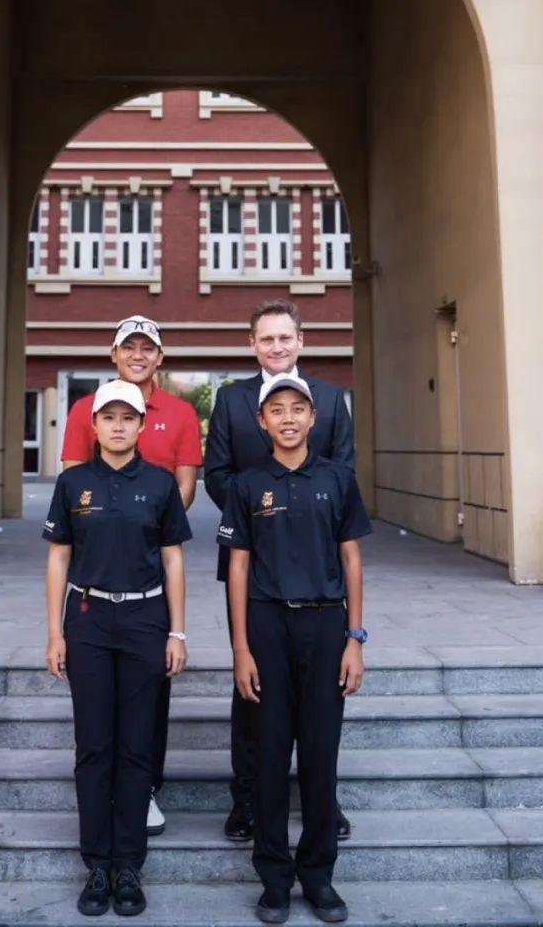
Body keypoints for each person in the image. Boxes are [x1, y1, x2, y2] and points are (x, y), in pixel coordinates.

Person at [218, 374, 370, 925]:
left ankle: (319, 875)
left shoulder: (337, 479)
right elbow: (238, 569)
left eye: (297, 409)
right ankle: (275, 879)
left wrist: (355, 639)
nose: (288, 418)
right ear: (262, 422)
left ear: (313, 418)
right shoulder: (246, 485)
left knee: (321, 754)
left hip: (326, 625)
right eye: (277, 410)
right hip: (267, 626)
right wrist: (241, 649)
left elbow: (351, 559)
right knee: (269, 753)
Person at [203, 299, 355, 842]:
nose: (276, 346)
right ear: (252, 344)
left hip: (317, 568)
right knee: (252, 685)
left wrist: (299, 510)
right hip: (252, 561)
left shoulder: (331, 400)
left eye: (285, 337)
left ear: (301, 341)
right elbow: (217, 474)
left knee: (321, 694)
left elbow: (343, 476)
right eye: (266, 338)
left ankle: (323, 801)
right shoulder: (231, 400)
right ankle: (246, 798)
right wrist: (264, 508)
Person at [45, 378, 191, 918]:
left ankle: (129, 865)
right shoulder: (73, 483)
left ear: (140, 425)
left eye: (128, 418)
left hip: (144, 619)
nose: (118, 426)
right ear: (94, 424)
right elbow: (59, 557)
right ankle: (97, 864)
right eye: (109, 418)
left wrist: (177, 632)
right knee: (94, 746)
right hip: (87, 619)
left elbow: (173, 559)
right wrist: (55, 632)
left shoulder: (159, 484)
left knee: (135, 746)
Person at [61, 314, 202, 836]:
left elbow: (185, 485)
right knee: (99, 700)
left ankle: (144, 790)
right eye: (129, 347)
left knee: (150, 690)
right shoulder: (85, 409)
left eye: (148, 348)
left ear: (159, 358)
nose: (138, 355)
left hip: (153, 557)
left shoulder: (181, 413)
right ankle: (102, 793)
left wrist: (151, 521)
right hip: (100, 567)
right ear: (114, 355)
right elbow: (75, 483)